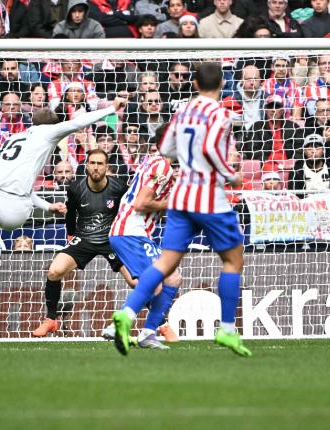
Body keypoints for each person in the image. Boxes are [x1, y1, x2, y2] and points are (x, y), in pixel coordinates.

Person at [0, 98, 128, 326]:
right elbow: (78, 123)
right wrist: (111, 109)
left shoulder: (11, 139)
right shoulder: (47, 133)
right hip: (16, 209)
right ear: (50, 125)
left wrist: (47, 206)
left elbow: (17, 182)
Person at [111, 62, 252, 357]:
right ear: (222, 84)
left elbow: (167, 149)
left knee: (165, 265)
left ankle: (127, 313)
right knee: (233, 259)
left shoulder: (183, 112)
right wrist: (231, 174)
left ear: (195, 85)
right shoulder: (221, 115)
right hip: (209, 197)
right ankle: (226, 329)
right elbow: (212, 150)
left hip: (181, 197)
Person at [32, 149, 129, 337]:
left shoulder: (119, 187)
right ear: (86, 165)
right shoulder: (76, 188)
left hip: (111, 239)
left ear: (107, 167)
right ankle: (51, 320)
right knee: (54, 271)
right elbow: (70, 214)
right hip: (83, 238)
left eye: (100, 163)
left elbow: (127, 213)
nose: (95, 167)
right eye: (92, 163)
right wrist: (70, 236)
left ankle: (160, 323)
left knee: (136, 281)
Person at [107, 128, 181, 349]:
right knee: (157, 284)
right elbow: (141, 203)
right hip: (131, 231)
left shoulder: (154, 162)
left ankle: (148, 333)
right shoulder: (162, 166)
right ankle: (119, 324)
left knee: (173, 279)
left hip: (135, 232)